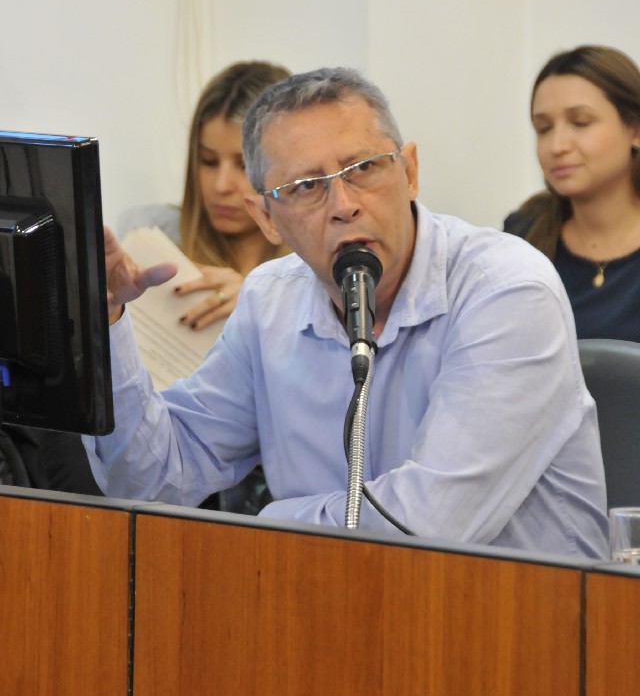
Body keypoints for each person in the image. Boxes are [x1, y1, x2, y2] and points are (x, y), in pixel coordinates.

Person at [83, 67, 609, 558]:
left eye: (363, 170)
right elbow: (154, 478)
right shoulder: (270, 301)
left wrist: (264, 524)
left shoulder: (506, 289)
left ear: (410, 172)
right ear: (266, 218)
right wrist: (105, 321)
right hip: (333, 604)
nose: (343, 205)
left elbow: (430, 526)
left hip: (517, 614)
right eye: (305, 187)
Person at [118, 59, 291, 330]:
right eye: (208, 161)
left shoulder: (318, 269)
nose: (221, 186)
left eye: (244, 165)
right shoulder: (153, 237)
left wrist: (261, 303)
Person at [504, 44, 640, 340]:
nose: (557, 146)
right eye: (543, 128)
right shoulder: (522, 236)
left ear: (635, 130)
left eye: (580, 123)